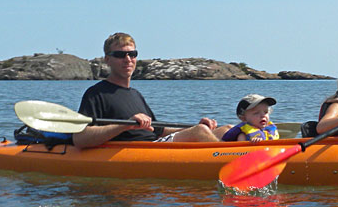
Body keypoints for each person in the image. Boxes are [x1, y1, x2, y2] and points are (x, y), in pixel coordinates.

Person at [73, 33, 230, 149]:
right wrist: (124, 126)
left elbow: (159, 130)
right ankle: (229, 163)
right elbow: (80, 138)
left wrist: (193, 127)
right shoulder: (96, 94)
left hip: (155, 144)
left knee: (226, 129)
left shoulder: (135, 94)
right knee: (200, 131)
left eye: (132, 54)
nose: (128, 59)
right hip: (142, 149)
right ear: (108, 60)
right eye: (120, 55)